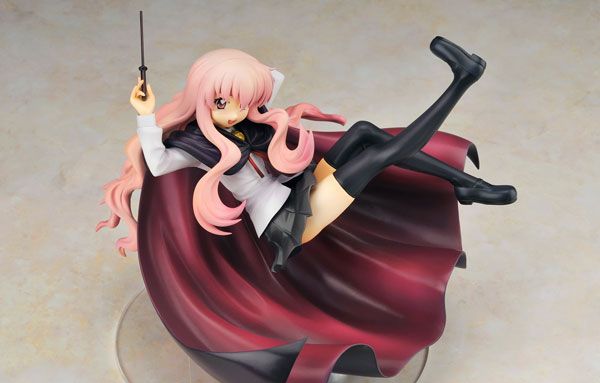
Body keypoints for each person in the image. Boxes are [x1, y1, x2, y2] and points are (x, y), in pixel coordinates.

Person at [99, 36, 516, 272]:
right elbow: (158, 164)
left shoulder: (245, 122)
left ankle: (468, 185)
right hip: (287, 220)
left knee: (364, 133)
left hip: (297, 188)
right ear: (204, 100)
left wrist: (242, 80)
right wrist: (145, 115)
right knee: (378, 157)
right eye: (223, 102)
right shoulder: (200, 145)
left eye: (244, 102)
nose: (237, 111)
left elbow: (269, 81)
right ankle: (462, 82)